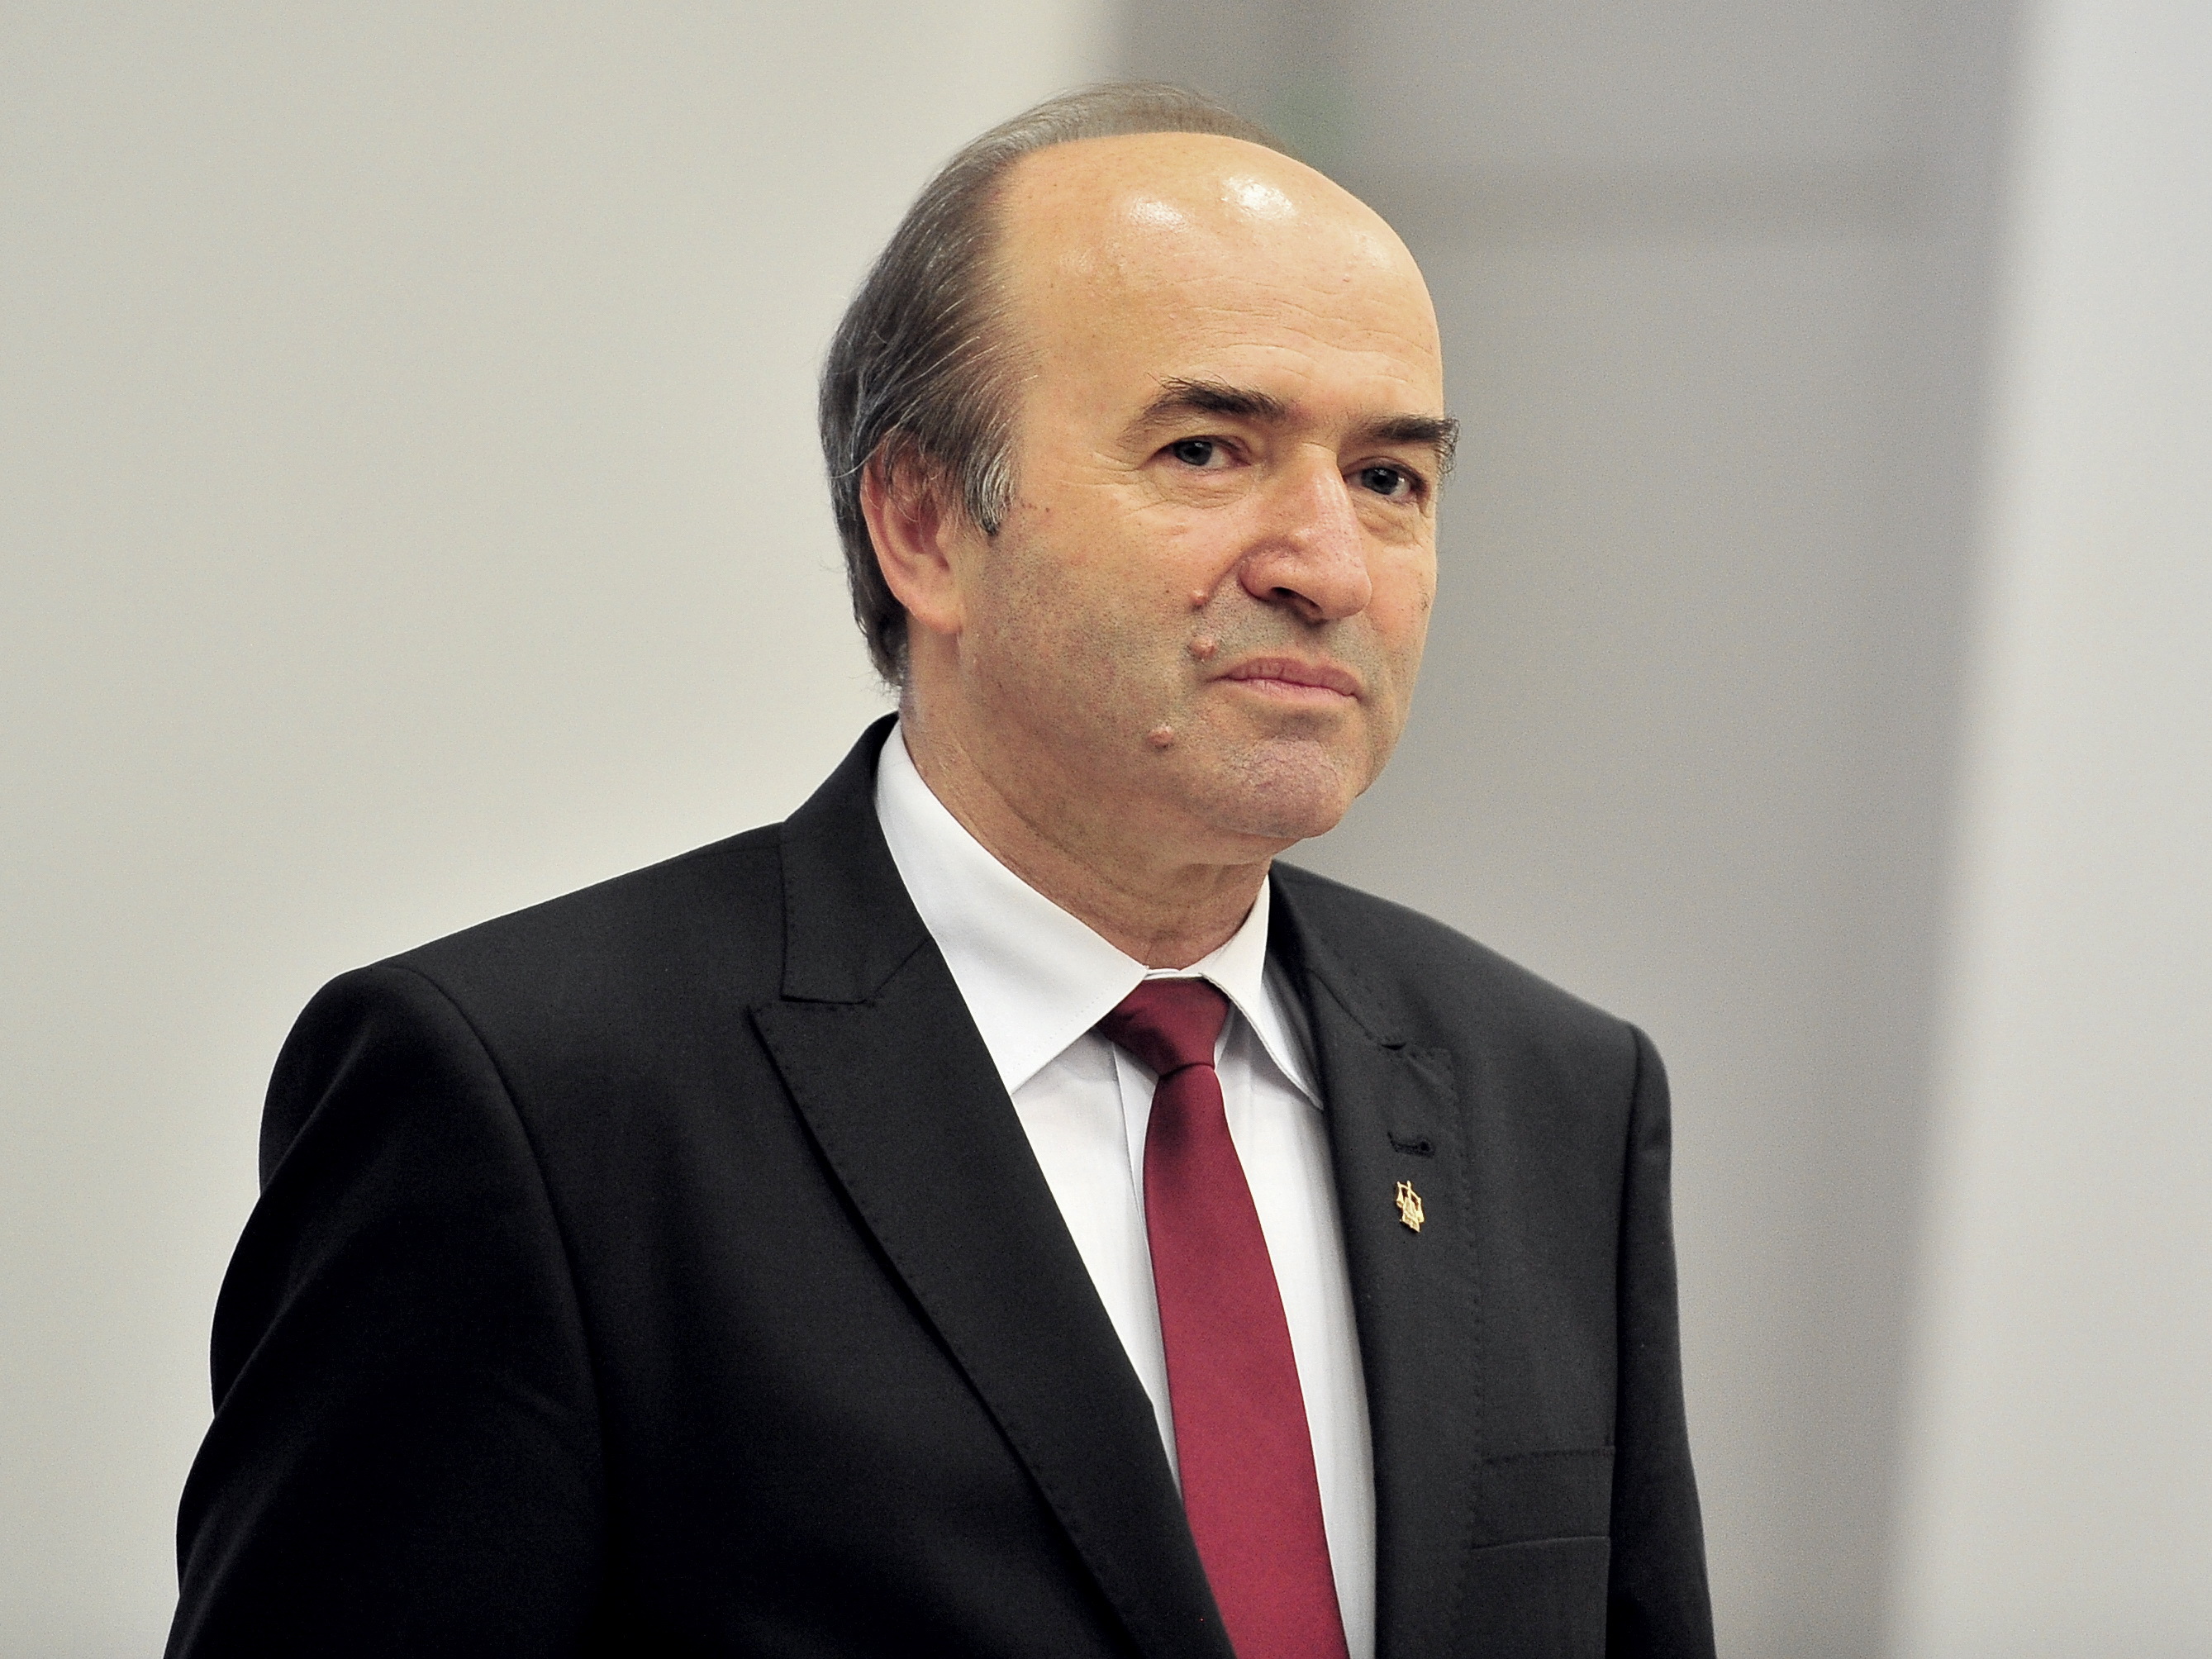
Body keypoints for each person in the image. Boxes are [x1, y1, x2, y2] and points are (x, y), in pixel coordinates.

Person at [166, 84, 1715, 1659]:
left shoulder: (1554, 1095)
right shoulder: (534, 1101)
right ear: (920, 523)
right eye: (1204, 450)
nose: (1325, 567)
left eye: (1388, 479)